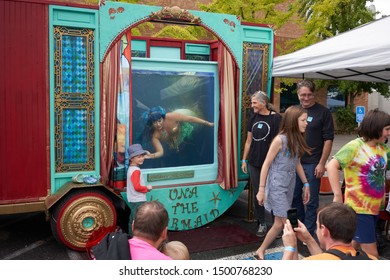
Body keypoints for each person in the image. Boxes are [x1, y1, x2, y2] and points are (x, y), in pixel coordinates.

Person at [326, 108, 390, 258]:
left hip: (374, 208)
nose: (389, 133)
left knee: (353, 248)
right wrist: (337, 196)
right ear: (376, 127)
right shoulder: (355, 146)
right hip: (359, 209)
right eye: (387, 129)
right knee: (372, 254)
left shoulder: (382, 148)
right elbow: (331, 165)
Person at [255, 105, 311, 260]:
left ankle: (260, 250)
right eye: (303, 120)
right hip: (276, 185)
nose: (306, 123)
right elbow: (266, 164)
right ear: (293, 121)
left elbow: (297, 163)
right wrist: (261, 189)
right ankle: (293, 258)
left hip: (289, 184)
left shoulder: (297, 139)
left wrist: (306, 184)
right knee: (289, 224)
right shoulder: (280, 140)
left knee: (279, 224)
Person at [292, 80, 334, 237]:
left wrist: (322, 163)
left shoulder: (323, 112)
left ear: (314, 94)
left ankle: (309, 232)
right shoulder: (295, 111)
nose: (306, 98)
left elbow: (328, 139)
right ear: (298, 95)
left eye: (309, 94)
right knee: (294, 196)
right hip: (295, 162)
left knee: (311, 200)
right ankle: (298, 227)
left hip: (313, 163)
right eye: (303, 94)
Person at [241, 91, 282, 237]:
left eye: (254, 103)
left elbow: (280, 141)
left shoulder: (276, 118)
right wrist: (244, 159)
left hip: (271, 163)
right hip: (254, 162)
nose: (252, 105)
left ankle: (277, 226)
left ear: (263, 103)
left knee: (273, 192)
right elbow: (248, 141)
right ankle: (262, 223)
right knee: (259, 193)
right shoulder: (253, 118)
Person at [282, 202, 378, 260]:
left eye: (317, 226)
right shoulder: (372, 259)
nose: (316, 231)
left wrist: (290, 248)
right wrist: (308, 240)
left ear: (324, 230)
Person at [141, 106, 214, 158]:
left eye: (159, 121)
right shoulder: (156, 136)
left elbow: (190, 119)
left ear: (163, 118)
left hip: (188, 131)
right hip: (177, 145)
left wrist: (208, 123)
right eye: (154, 122)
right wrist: (151, 156)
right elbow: (160, 152)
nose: (158, 124)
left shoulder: (171, 117)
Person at [126, 144, 152, 235]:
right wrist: (147, 188)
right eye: (138, 157)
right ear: (131, 158)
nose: (142, 159)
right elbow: (137, 187)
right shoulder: (136, 171)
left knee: (133, 219)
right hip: (138, 199)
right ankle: (134, 237)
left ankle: (132, 236)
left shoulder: (131, 169)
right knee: (136, 220)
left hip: (134, 198)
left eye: (142, 156)